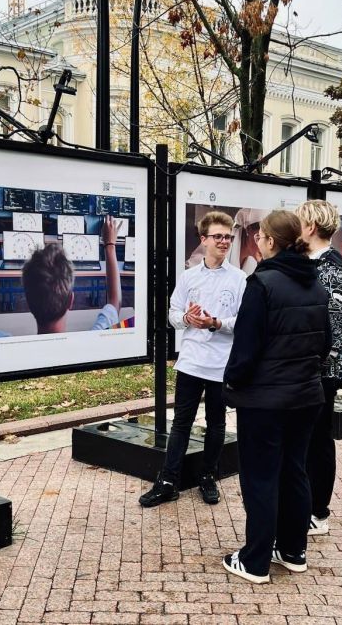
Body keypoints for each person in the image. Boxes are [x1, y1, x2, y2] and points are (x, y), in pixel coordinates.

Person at [221, 210, 331, 584]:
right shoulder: (315, 285)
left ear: (269, 241)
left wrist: (231, 384)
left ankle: (254, 561)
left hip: (265, 400)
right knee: (294, 471)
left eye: (261, 237)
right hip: (305, 397)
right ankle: (293, 549)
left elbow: (245, 349)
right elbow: (326, 344)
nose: (258, 242)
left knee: (261, 477)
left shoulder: (262, 284)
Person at [139, 211, 247, 507]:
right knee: (181, 424)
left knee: (216, 425)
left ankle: (208, 477)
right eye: (218, 236)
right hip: (190, 362)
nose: (224, 241)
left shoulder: (239, 279)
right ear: (204, 240)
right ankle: (167, 481)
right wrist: (187, 317)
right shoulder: (189, 276)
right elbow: (172, 314)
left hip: (220, 365)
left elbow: (244, 321)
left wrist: (216, 323)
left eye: (228, 236)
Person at [295, 200, 342, 536]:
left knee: (319, 440)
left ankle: (318, 511)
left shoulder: (332, 269)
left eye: (299, 221)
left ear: (310, 227)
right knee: (308, 440)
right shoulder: (310, 263)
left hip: (323, 371)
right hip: (309, 369)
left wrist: (312, 367)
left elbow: (334, 329)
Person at [0, 217, 121, 337]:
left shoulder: (5, 349)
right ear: (71, 300)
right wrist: (110, 245)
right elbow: (115, 302)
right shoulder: (94, 341)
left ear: (27, 301)